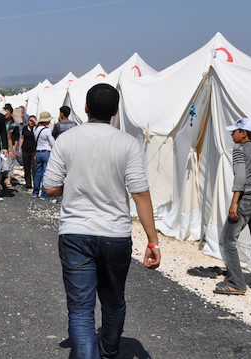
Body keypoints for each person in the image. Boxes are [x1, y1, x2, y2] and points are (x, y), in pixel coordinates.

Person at [44, 83, 161, 358]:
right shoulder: (127, 143)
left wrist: (72, 186)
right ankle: (108, 352)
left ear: (85, 108)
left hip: (75, 232)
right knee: (113, 302)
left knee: (81, 308)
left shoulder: (67, 140)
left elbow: (50, 188)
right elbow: (140, 193)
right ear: (116, 111)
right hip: (115, 234)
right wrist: (153, 241)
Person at [214, 117, 251, 295]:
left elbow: (240, 178)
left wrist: (234, 203)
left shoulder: (239, 150)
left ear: (243, 133)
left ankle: (236, 283)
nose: (232, 134)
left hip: (247, 199)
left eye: (235, 131)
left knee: (227, 240)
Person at [32, 112, 56, 199]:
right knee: (45, 173)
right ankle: (43, 194)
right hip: (46, 152)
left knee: (38, 173)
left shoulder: (35, 129)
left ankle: (35, 192)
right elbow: (52, 143)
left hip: (38, 152)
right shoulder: (47, 131)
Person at [18, 115, 37, 189]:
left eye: (33, 121)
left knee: (34, 167)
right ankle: (28, 183)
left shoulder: (36, 129)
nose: (31, 122)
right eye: (30, 120)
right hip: (25, 150)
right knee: (26, 167)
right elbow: (22, 138)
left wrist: (35, 123)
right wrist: (19, 148)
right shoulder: (25, 128)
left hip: (34, 150)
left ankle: (35, 183)